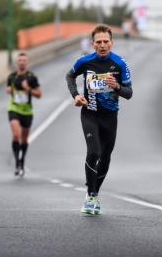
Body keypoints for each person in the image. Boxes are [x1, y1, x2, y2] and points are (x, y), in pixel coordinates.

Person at [66, 24, 133, 215]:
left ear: (111, 43)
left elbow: (129, 93)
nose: (102, 45)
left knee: (105, 158)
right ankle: (91, 194)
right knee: (93, 152)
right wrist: (76, 95)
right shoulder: (84, 61)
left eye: (106, 42)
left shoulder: (120, 63)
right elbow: (70, 76)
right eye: (98, 42)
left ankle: (95, 192)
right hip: (90, 113)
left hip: (110, 117)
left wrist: (117, 87)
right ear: (93, 44)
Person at [6, 52, 42, 177]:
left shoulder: (32, 77)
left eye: (23, 60)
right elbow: (9, 89)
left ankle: (22, 161)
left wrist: (28, 89)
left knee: (24, 139)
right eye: (19, 60)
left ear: (26, 62)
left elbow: (39, 94)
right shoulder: (11, 77)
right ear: (16, 62)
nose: (21, 62)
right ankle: (16, 162)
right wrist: (9, 90)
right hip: (14, 108)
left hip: (27, 111)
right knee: (16, 134)